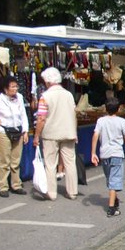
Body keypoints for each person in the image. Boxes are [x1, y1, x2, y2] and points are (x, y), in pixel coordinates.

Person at [33, 67, 79, 201]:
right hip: (68, 132)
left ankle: (51, 193)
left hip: (50, 134)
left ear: (47, 81)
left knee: (50, 164)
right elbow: (74, 114)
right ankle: (72, 191)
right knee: (70, 163)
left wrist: (36, 135)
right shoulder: (69, 95)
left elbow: (41, 118)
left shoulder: (45, 96)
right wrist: (74, 131)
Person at [0, 76, 29, 197]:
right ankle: (3, 186)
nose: (15, 89)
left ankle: (16, 185)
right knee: (4, 161)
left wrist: (25, 131)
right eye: (13, 87)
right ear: (5, 89)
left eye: (16, 86)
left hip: (18, 131)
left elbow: (23, 115)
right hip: (4, 132)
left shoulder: (19, 97)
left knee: (16, 161)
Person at [90, 97, 125, 217]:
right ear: (119, 108)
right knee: (114, 180)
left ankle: (114, 200)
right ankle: (111, 208)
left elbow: (95, 135)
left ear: (105, 108)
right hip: (117, 153)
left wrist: (93, 153)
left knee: (110, 178)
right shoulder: (122, 122)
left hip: (104, 154)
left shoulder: (101, 121)